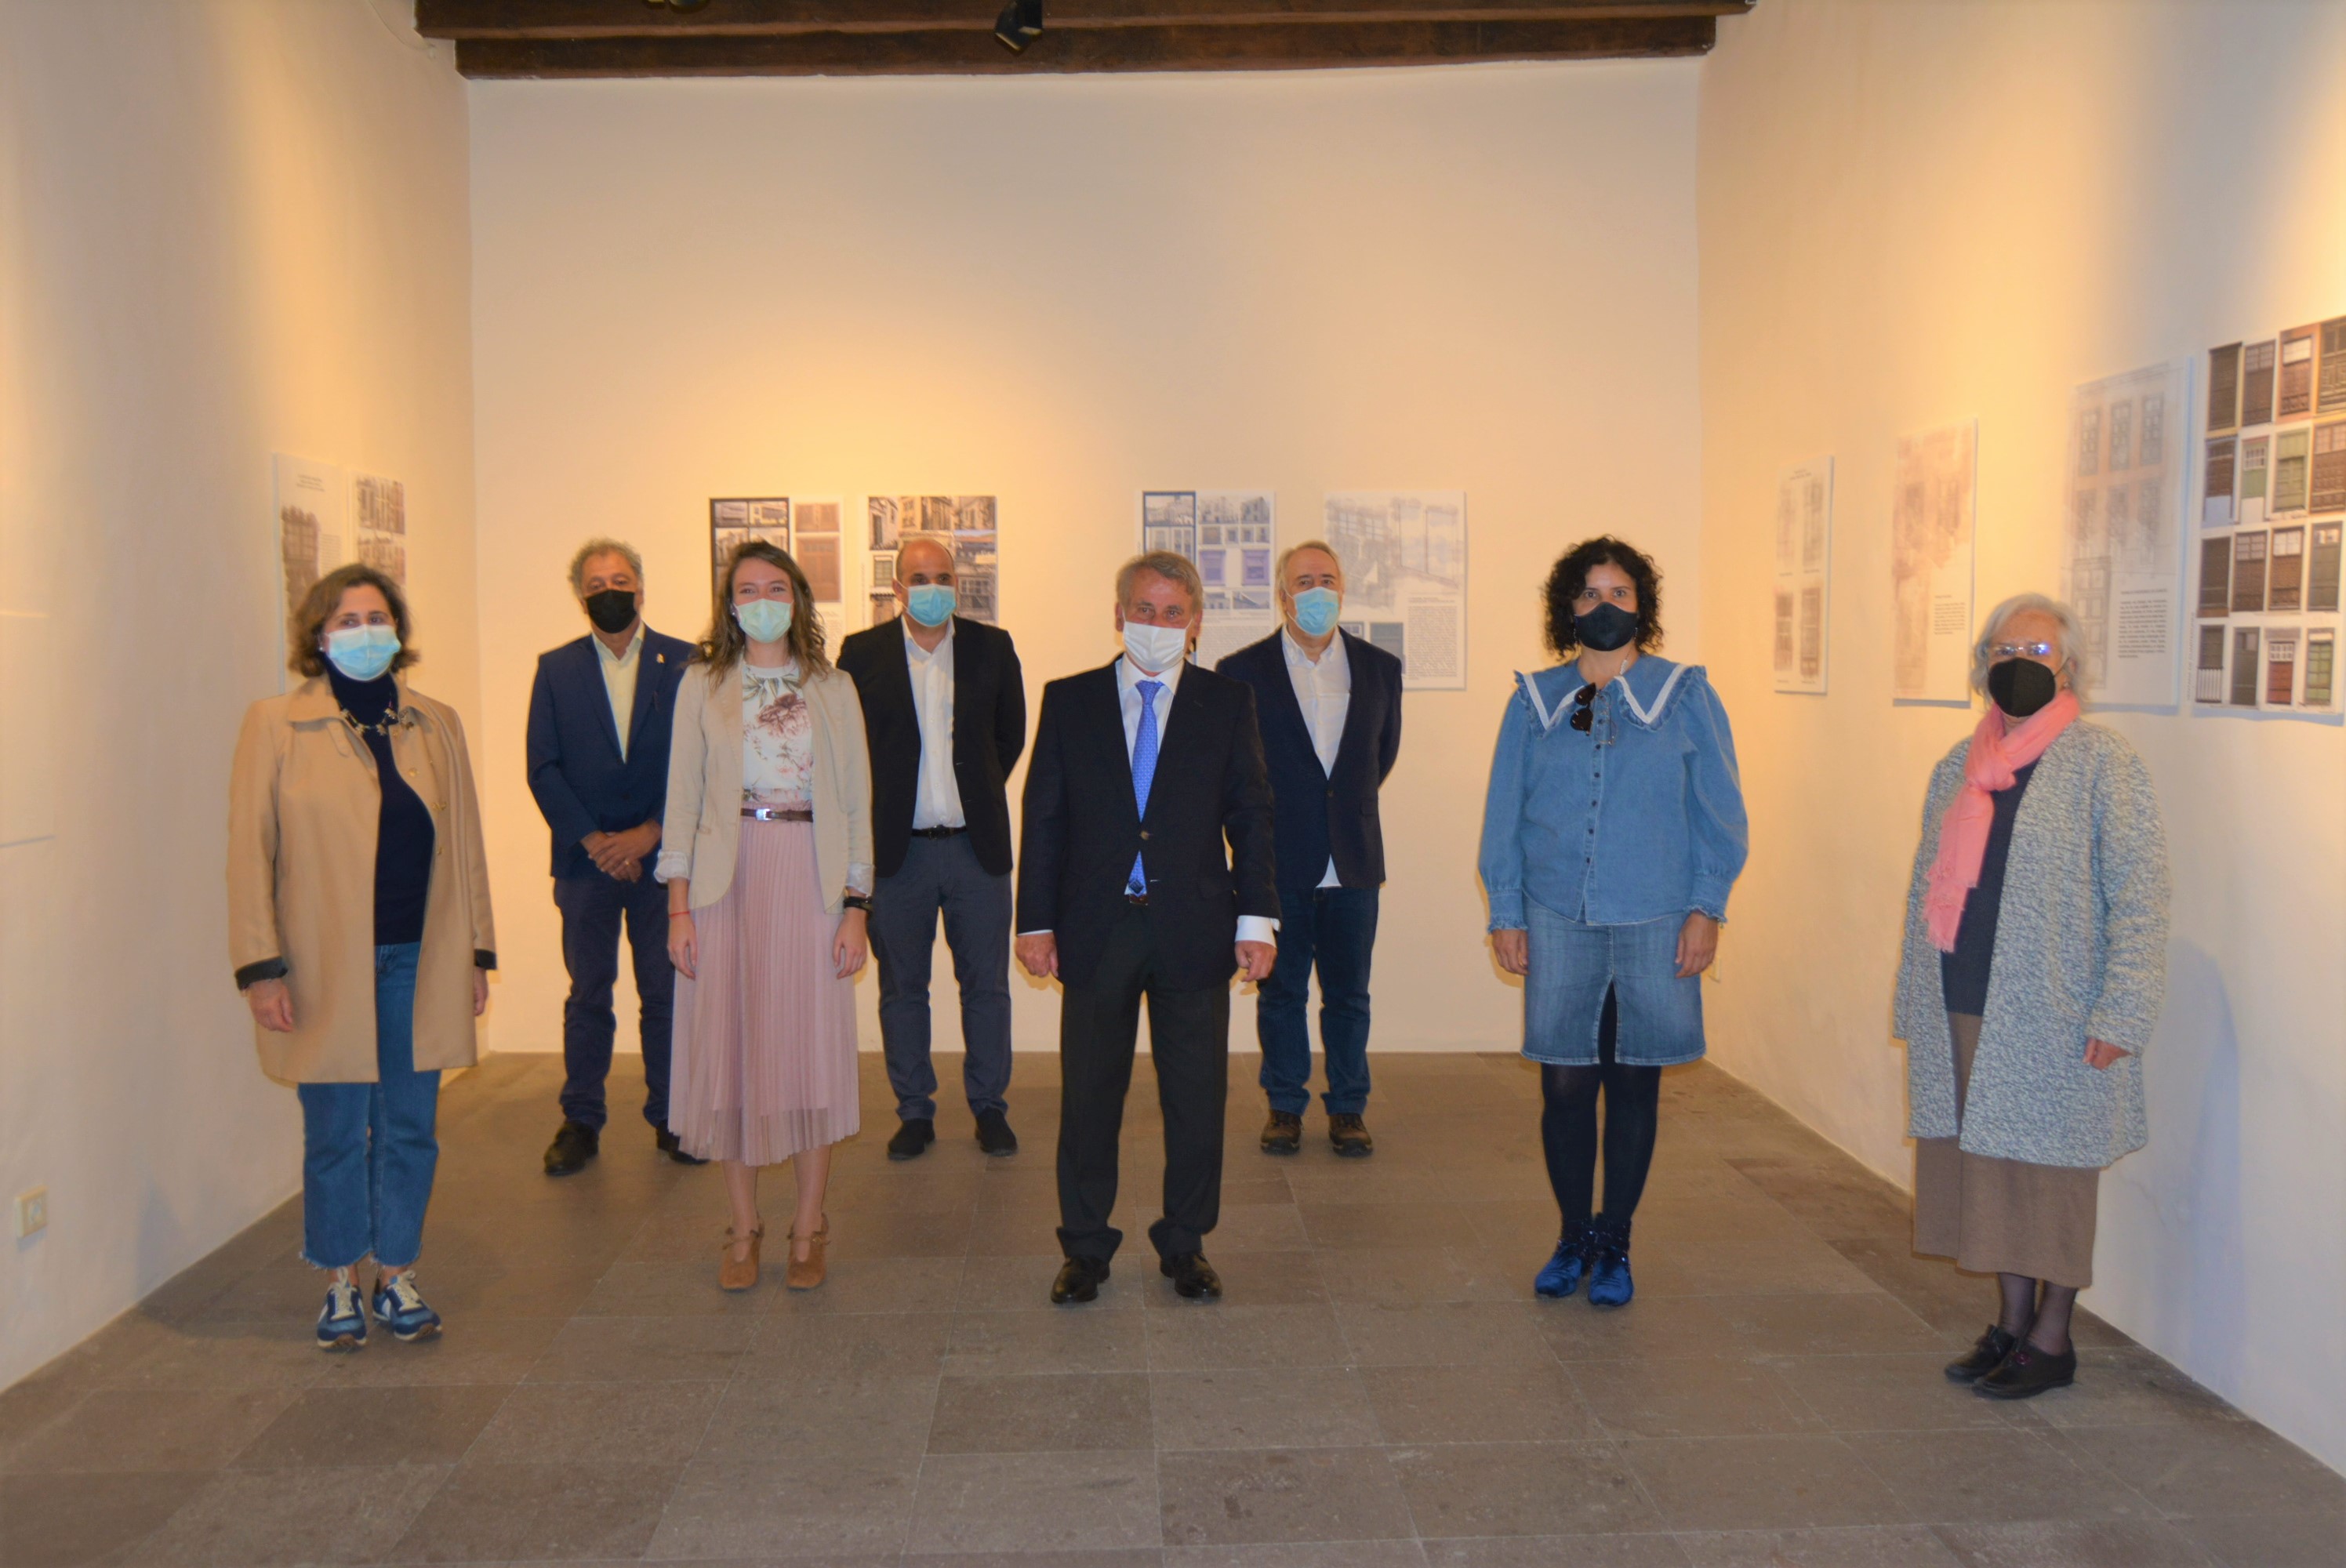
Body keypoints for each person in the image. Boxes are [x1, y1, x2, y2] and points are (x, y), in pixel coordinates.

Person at [1896, 593, 2169, 1399]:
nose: (2019, 662)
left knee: (2049, 1177)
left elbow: (2142, 895)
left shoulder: (2102, 761)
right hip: (1965, 993)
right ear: (1981, 663)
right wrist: (1916, 994)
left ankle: (2053, 1339)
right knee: (1986, 1168)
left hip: (2052, 1010)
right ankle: (2010, 1324)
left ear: (2069, 667)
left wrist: (2122, 1012)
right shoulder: (1958, 763)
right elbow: (1927, 884)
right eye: (2004, 647)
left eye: (2039, 650)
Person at [228, 564, 496, 1350]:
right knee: (339, 1128)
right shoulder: (274, 725)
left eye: (377, 616)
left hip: (423, 954)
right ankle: (340, 1278)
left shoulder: (434, 721)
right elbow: (250, 855)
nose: (365, 630)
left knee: (411, 1125)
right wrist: (260, 965)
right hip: (323, 967)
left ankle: (398, 1271)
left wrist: (476, 951)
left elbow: (468, 845)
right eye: (347, 619)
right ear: (318, 635)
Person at [1478, 536, 1746, 1311]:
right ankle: (1571, 1235)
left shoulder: (1686, 693)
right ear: (1568, 606)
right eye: (1589, 594)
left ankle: (1616, 1239)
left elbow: (1719, 813)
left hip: (1656, 914)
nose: (1604, 607)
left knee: (1634, 1082)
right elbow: (1503, 813)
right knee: (1564, 1082)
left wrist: (1707, 907)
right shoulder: (1534, 699)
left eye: (1619, 593)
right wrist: (1506, 910)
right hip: (1556, 912)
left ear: (1643, 606)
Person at [1016, 551, 1278, 1305]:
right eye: (1143, 609)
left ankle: (1187, 1242)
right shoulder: (1069, 700)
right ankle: (1085, 1247)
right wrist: (1034, 921)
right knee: (1089, 1095)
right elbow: (1045, 817)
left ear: (1194, 624)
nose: (1156, 625)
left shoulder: (1227, 704)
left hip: (1194, 926)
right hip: (1097, 926)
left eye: (1172, 613)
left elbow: (1253, 817)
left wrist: (1257, 919)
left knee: (1195, 1097)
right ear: (1118, 614)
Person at [659, 540, 872, 1293]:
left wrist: (856, 907)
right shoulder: (701, 685)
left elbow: (855, 804)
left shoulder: (834, 687)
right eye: (746, 588)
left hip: (810, 878)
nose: (761, 599)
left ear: (798, 597)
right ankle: (743, 1226)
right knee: (734, 1052)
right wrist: (678, 908)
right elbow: (681, 802)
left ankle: (808, 1226)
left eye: (774, 586)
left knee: (809, 1053)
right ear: (729, 602)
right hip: (725, 884)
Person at [837, 535, 1027, 1161]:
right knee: (901, 989)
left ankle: (989, 1106)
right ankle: (915, 1111)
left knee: (987, 988)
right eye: (917, 577)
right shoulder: (860, 654)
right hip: (899, 855)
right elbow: (849, 747)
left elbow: (1011, 733)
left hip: (976, 851)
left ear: (956, 583)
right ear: (896, 587)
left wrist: (971, 791)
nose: (930, 587)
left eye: (941, 575)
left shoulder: (992, 648)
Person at [1215, 541, 1402, 1158]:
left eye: (1326, 579)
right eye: (1303, 581)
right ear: (1282, 594)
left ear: (1342, 586)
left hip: (1352, 859)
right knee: (1282, 992)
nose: (1315, 590)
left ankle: (1349, 1107)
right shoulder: (1241, 671)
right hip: (1276, 859)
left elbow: (1381, 756)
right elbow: (1235, 768)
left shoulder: (1379, 668)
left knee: (1350, 995)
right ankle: (1285, 1106)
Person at [526, 539, 699, 1177]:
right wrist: (596, 842)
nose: (610, 591)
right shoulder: (555, 668)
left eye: (620, 579)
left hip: (663, 862)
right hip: (585, 865)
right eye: (596, 583)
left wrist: (652, 832)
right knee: (589, 993)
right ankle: (581, 1120)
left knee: (666, 993)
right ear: (580, 597)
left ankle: (672, 1115)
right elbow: (542, 767)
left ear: (642, 587)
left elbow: (699, 761)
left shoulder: (685, 662)